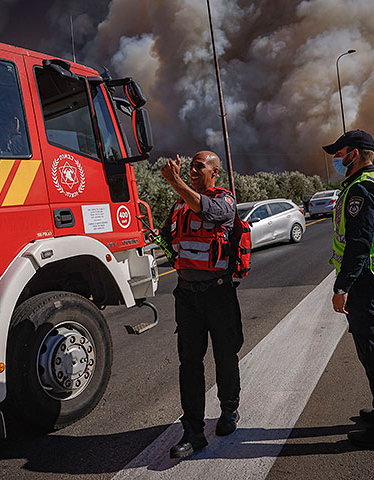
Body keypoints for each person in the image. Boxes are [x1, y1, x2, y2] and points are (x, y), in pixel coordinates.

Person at [323, 129, 374, 450]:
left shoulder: (361, 189)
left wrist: (341, 286)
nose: (337, 159)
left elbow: (359, 245)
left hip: (367, 283)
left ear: (354, 154)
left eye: (339, 153)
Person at [159, 151, 244, 460]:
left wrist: (176, 180)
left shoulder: (225, 200)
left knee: (225, 356)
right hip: (187, 296)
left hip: (219, 295)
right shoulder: (179, 204)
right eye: (190, 166)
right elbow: (168, 237)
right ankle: (193, 431)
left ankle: (229, 411)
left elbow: (206, 211)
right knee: (189, 365)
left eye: (199, 166)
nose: (193, 170)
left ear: (215, 173)